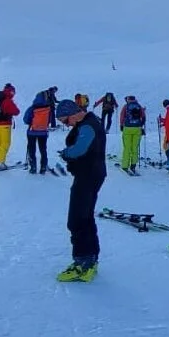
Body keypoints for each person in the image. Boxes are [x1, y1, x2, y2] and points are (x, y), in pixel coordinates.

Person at [55, 99, 106, 282]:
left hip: (88, 175)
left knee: (77, 219)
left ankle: (82, 262)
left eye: (65, 121)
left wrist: (67, 153)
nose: (66, 125)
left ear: (74, 113)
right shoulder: (89, 123)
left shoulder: (87, 126)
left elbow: (80, 149)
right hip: (91, 174)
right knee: (85, 216)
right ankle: (90, 260)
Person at [23, 90, 54, 173]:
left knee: (32, 149)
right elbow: (50, 121)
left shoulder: (32, 108)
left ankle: (33, 167)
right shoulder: (48, 109)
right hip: (43, 132)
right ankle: (43, 167)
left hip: (32, 132)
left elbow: (25, 119)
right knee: (43, 149)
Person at [118, 96, 146, 172]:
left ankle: (125, 165)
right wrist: (141, 126)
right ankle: (133, 165)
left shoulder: (126, 106)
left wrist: (121, 125)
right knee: (135, 147)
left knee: (127, 147)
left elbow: (121, 116)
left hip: (127, 128)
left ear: (128, 100)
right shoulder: (139, 106)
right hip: (137, 129)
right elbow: (143, 117)